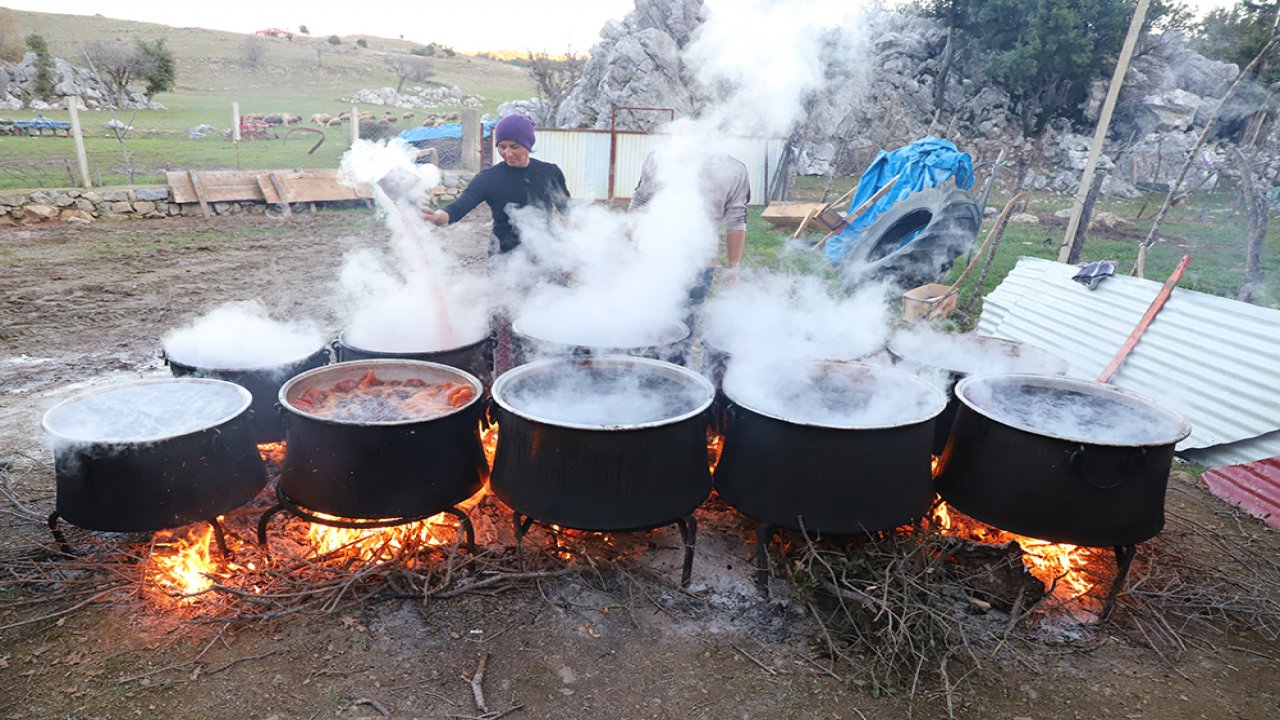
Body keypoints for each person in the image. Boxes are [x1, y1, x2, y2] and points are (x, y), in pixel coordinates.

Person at [423, 114, 571, 374]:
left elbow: (569, 214)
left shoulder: (549, 172)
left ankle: (552, 372)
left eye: (514, 146)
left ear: (529, 144)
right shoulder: (489, 178)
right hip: (504, 257)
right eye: (502, 146)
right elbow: (459, 207)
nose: (507, 153)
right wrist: (439, 217)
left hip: (547, 254)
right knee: (506, 323)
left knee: (553, 317)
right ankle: (507, 376)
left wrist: (574, 253)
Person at [629, 151, 750, 330]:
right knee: (647, 321)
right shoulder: (661, 156)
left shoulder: (734, 170)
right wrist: (629, 241)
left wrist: (734, 267)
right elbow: (640, 200)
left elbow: (737, 221)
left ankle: (676, 356)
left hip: (701, 264)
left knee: (684, 326)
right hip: (655, 258)